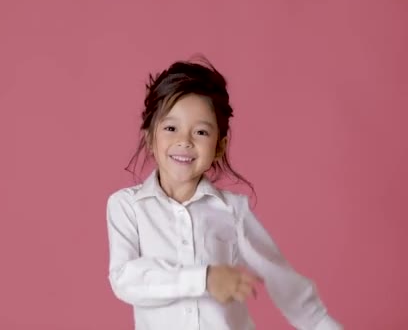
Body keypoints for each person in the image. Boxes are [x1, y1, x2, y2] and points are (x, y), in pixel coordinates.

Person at [105, 57, 343, 330]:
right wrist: (204, 279)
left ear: (219, 146)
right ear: (149, 137)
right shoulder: (127, 207)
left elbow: (280, 278)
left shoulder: (232, 211)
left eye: (201, 131)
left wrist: (321, 325)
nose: (185, 140)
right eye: (171, 128)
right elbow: (125, 280)